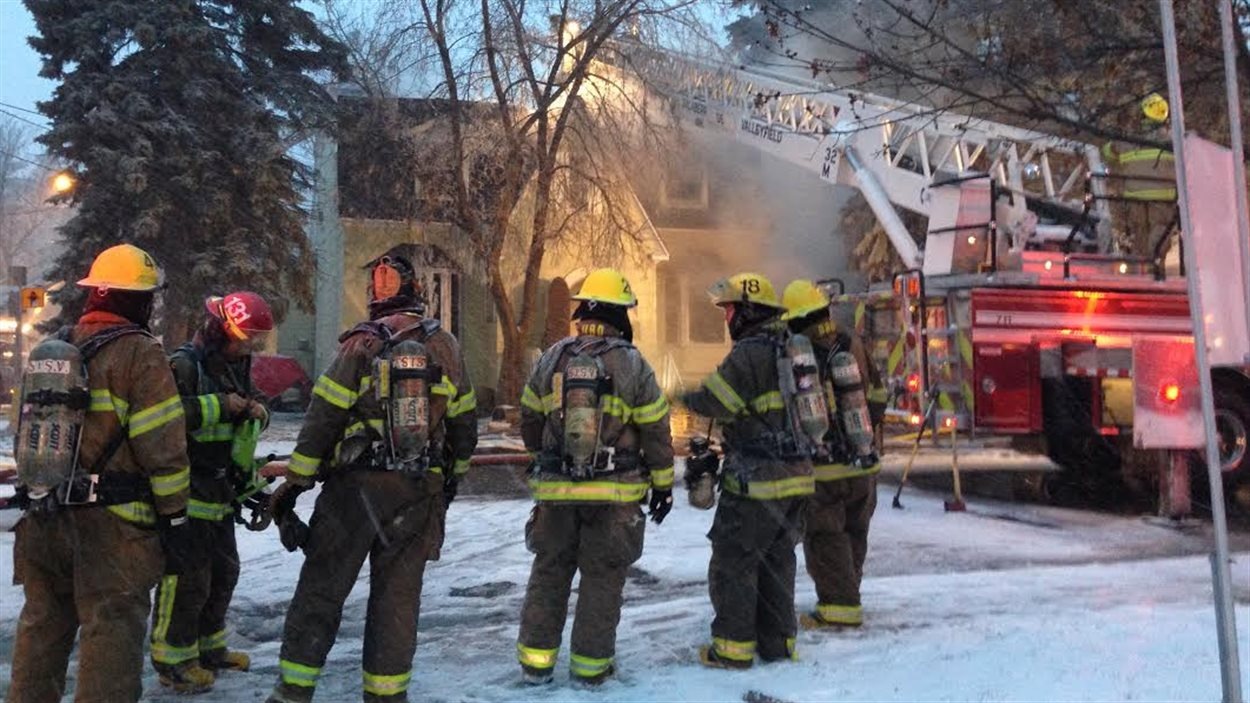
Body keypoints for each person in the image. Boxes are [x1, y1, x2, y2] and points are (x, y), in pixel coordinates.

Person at [265, 254, 477, 703]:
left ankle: (293, 690)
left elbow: (323, 417)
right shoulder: (446, 347)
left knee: (322, 589)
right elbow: (464, 425)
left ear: (374, 297)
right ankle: (386, 695)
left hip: (353, 490)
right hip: (417, 491)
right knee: (397, 601)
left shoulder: (359, 344)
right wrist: (450, 480)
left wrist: (297, 482)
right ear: (418, 291)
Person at [7, 243, 193, 702]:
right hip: (113, 534)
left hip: (44, 521)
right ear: (139, 300)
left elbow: (23, 430)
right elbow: (163, 448)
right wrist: (175, 519)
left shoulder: (55, 350)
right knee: (110, 644)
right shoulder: (140, 354)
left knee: (41, 635)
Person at [516, 268, 674, 686]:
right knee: (602, 579)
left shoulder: (553, 357)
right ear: (619, 314)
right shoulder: (632, 363)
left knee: (549, 573)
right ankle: (590, 669)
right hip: (614, 495)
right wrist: (662, 485)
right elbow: (657, 431)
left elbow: (529, 417)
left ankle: (535, 664)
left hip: (556, 492)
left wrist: (544, 458)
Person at [680, 272, 814, 670]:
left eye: (730, 310)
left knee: (734, 562)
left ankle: (732, 649)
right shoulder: (792, 347)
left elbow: (716, 401)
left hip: (757, 481)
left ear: (748, 311)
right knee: (778, 563)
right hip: (797, 477)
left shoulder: (749, 353)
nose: (727, 319)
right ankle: (778, 644)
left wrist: (682, 396)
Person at [149, 291, 275, 692]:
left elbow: (253, 403)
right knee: (188, 579)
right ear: (221, 328)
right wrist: (221, 405)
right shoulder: (186, 365)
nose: (250, 346)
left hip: (221, 488)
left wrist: (259, 411)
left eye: (256, 339)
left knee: (224, 572)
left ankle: (209, 648)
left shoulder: (236, 364)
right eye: (245, 336)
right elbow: (165, 417)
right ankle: (173, 660)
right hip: (188, 488)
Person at [781, 279, 882, 629]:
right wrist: (864, 436)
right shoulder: (852, 342)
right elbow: (878, 397)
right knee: (855, 531)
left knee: (825, 536)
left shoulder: (795, 353)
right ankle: (848, 593)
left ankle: (839, 608)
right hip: (863, 460)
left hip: (823, 467)